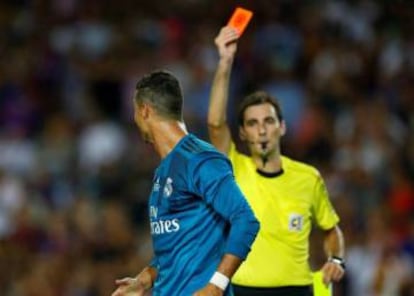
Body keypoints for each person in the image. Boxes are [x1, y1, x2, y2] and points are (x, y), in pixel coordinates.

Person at [207, 26, 346, 296]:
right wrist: (225, 62)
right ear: (243, 133)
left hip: (297, 290)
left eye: (268, 121)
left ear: (281, 127)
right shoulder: (234, 169)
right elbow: (214, 123)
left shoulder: (308, 177)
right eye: (253, 123)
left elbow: (332, 231)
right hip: (243, 289)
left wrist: (335, 259)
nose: (261, 129)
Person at [111, 70, 260, 296]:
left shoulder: (200, 160)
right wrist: (143, 280)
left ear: (144, 111)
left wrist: (217, 285)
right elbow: (175, 249)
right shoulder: (165, 169)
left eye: (135, 112)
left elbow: (246, 220)